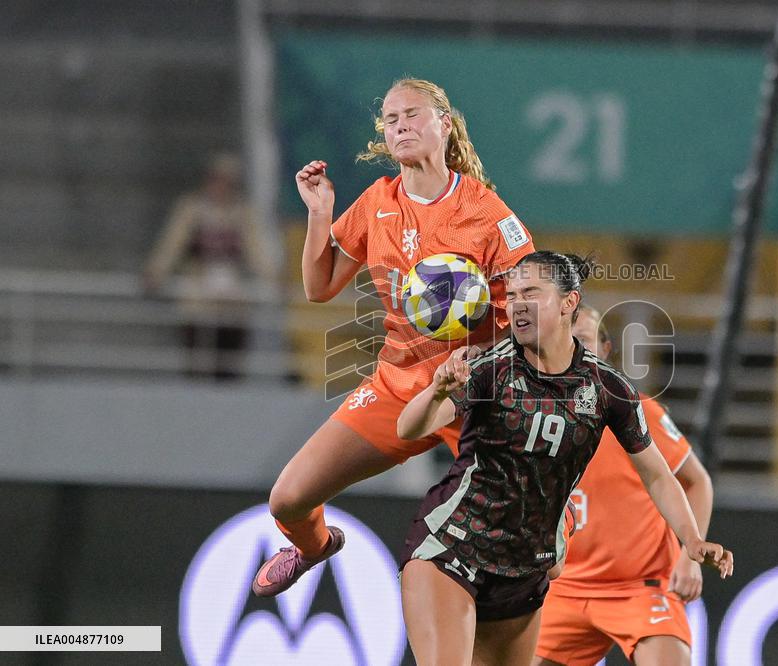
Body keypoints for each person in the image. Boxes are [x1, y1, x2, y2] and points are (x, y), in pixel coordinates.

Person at [252, 78, 535, 597]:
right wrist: (320, 213)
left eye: (412, 115)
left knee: (533, 535)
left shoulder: (489, 216)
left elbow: (534, 314)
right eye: (390, 119)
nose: (400, 126)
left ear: (444, 125)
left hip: (474, 397)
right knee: (287, 499)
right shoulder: (378, 202)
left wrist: (483, 353)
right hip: (397, 385)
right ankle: (315, 548)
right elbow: (318, 287)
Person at [395, 251, 733, 666]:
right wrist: (437, 391)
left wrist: (692, 540)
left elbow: (661, 477)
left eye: (531, 292)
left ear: (568, 302)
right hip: (453, 548)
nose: (517, 303)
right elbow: (408, 428)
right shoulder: (492, 369)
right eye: (513, 294)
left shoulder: (609, 390)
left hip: (524, 571)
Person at [533, 304, 715, 666]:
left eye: (582, 340)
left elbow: (697, 481)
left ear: (604, 349)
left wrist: (687, 557)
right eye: (562, 341)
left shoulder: (636, 410)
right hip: (565, 589)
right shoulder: (531, 416)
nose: (573, 350)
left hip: (640, 587)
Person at [144, 153, 277, 380]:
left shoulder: (243, 214)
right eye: (217, 180)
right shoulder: (191, 209)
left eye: (228, 182)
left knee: (230, 349)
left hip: (231, 290)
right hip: (198, 286)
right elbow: (173, 243)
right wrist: (156, 270)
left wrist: (274, 277)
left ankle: (229, 383)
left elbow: (256, 251)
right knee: (196, 347)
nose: (221, 187)